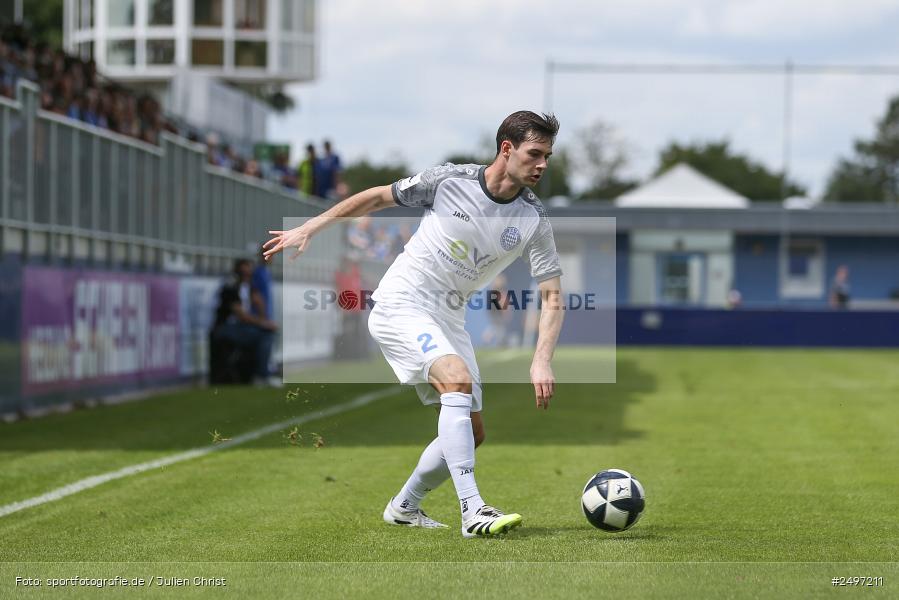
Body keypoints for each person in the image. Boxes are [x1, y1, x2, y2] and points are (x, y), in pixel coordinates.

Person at [264, 111, 564, 538]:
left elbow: (552, 293)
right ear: (506, 148)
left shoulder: (533, 220)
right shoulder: (449, 180)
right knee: (456, 382)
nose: (542, 165)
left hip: (449, 317)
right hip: (402, 302)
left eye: (547, 156)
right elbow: (374, 198)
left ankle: (404, 507)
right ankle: (472, 510)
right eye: (535, 153)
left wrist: (541, 360)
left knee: (472, 432)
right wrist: (312, 225)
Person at [211, 258, 279, 386]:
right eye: (244, 273)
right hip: (225, 328)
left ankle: (260, 371)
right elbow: (241, 316)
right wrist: (263, 323)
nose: (247, 276)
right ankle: (262, 374)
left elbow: (259, 305)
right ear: (238, 273)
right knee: (264, 335)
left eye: (249, 273)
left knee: (266, 332)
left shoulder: (249, 287)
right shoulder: (231, 287)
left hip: (240, 327)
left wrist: (261, 310)